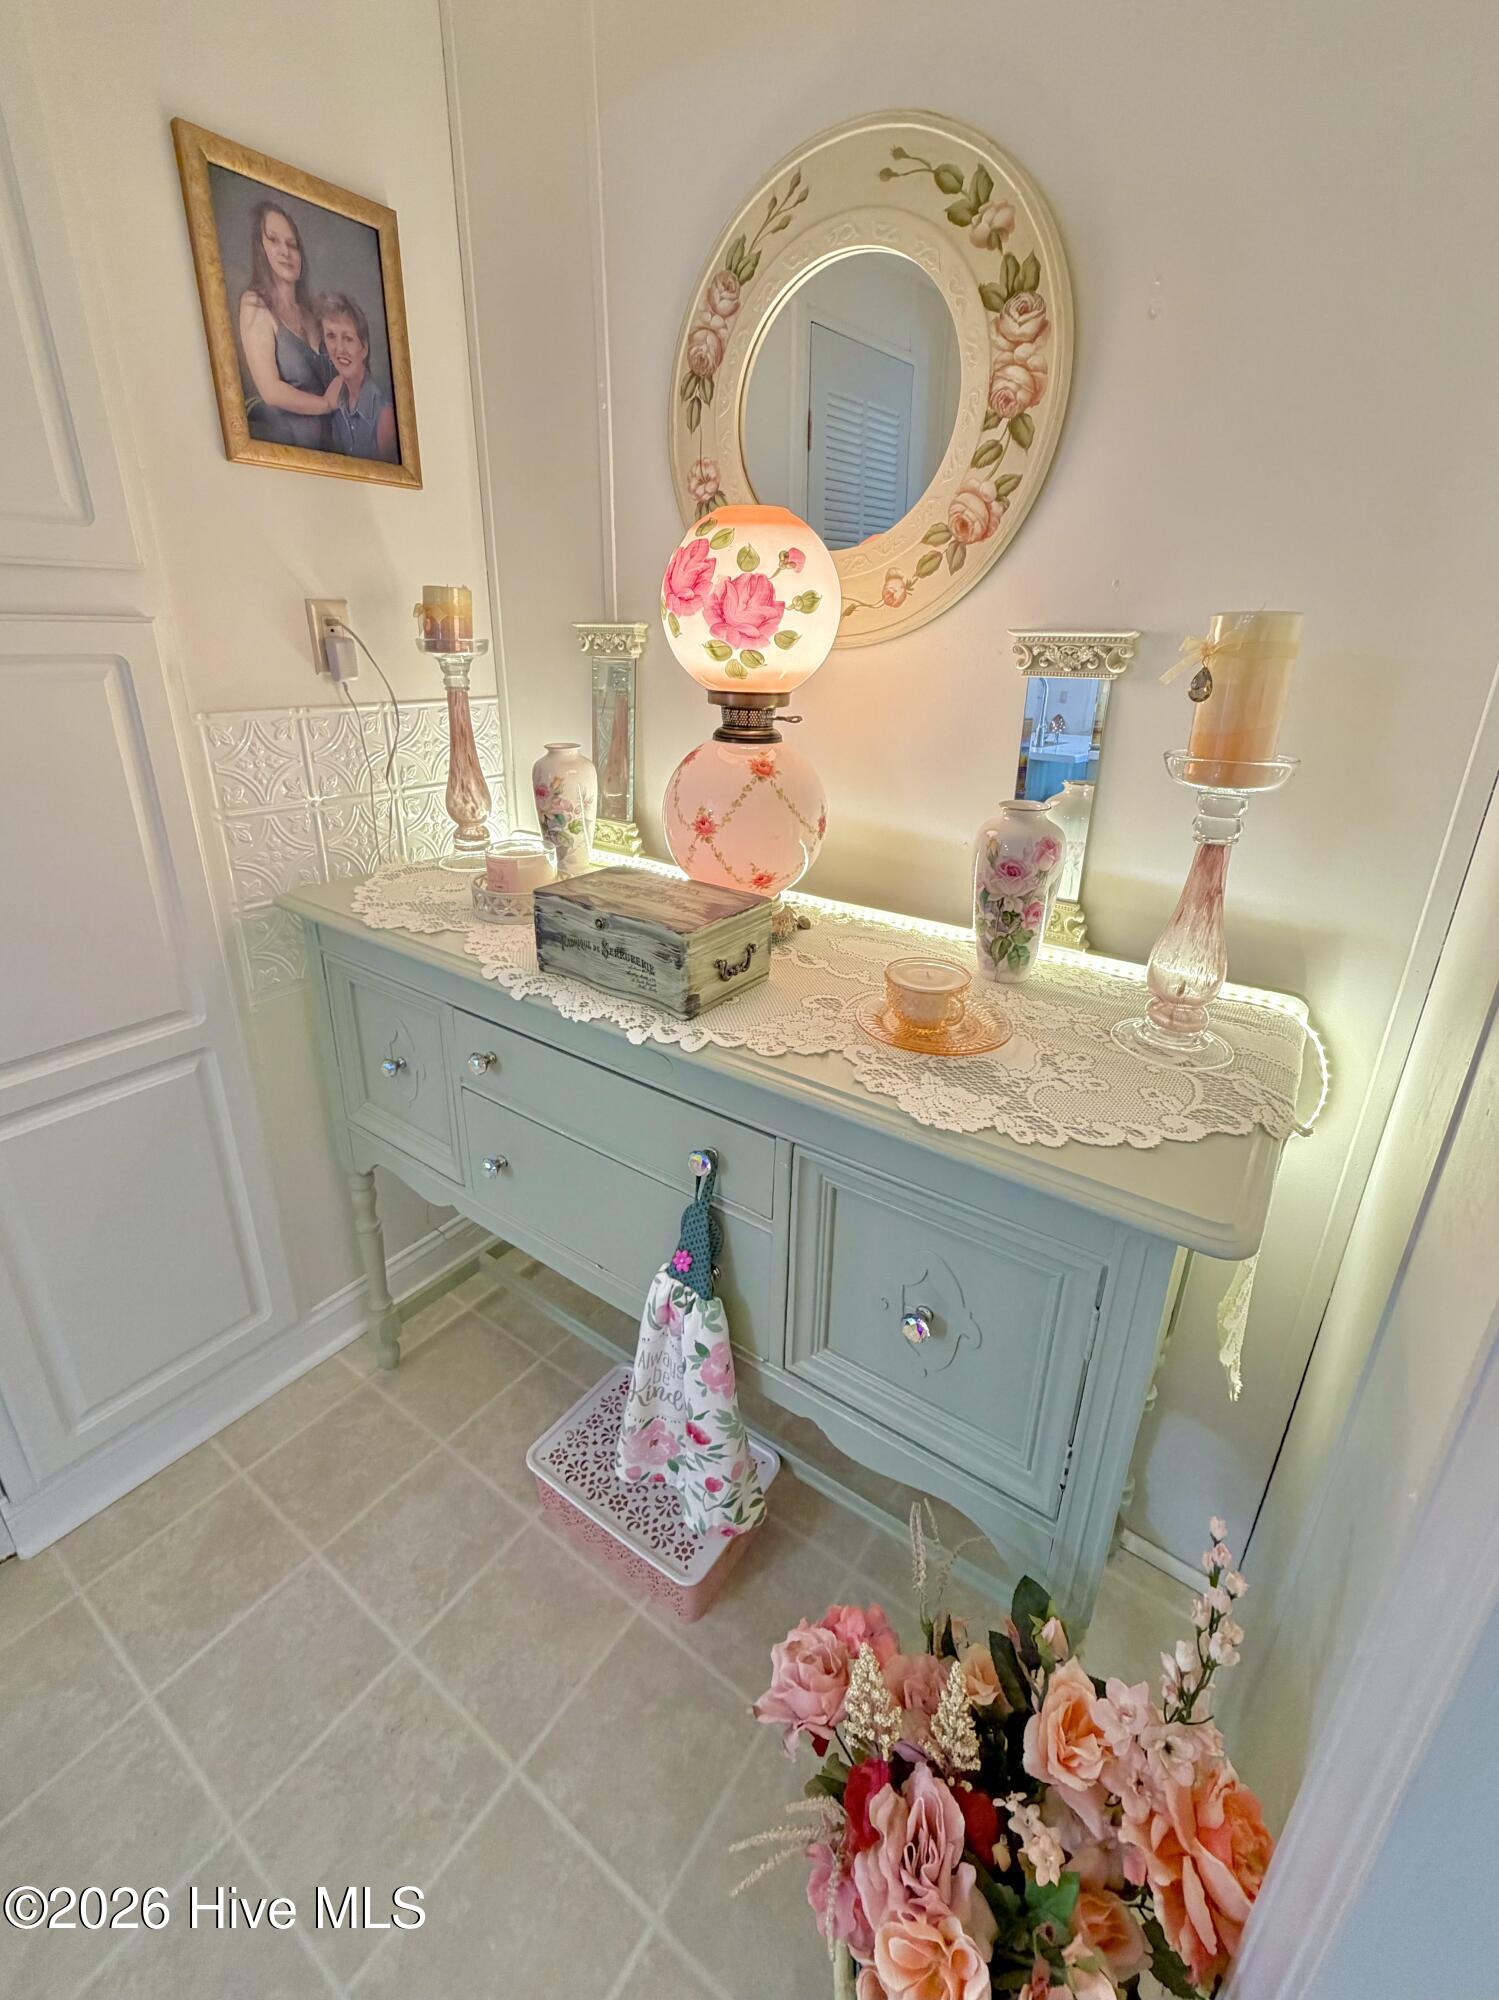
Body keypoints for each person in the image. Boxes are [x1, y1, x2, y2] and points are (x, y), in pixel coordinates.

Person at [237, 200, 342, 447]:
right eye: (273, 240)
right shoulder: (254, 303)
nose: (285, 251)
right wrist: (325, 404)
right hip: (290, 447)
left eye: (292, 244)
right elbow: (271, 391)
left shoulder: (313, 313)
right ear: (260, 248)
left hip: (333, 448)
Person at [318, 291, 398, 462]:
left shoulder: (385, 414)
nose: (339, 349)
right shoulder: (334, 401)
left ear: (364, 349)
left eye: (348, 338)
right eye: (331, 336)